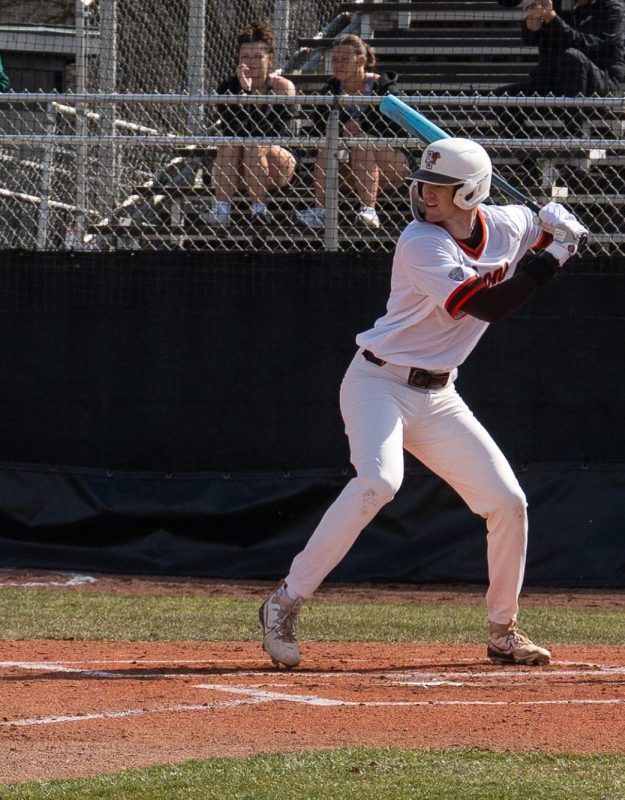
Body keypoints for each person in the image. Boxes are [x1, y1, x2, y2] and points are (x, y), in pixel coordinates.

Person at [259, 137, 589, 669]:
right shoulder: (419, 242)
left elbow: (539, 228)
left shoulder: (507, 223)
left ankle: (503, 629)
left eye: (439, 187)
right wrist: (555, 255)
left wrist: (554, 221)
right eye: (423, 182)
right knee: (379, 482)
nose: (424, 192)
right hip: (378, 384)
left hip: (440, 394)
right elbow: (487, 306)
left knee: (508, 502)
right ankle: (284, 602)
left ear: (471, 194)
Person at [296, 34, 410, 231]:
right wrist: (341, 130)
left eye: (344, 60)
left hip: (389, 163)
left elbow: (398, 128)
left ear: (361, 61)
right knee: (326, 148)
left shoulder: (383, 88)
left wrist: (364, 126)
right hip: (347, 165)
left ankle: (369, 210)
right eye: (335, 60)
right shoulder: (330, 90)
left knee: (362, 142)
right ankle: (320, 211)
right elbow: (318, 127)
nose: (338, 65)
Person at [202, 22, 297, 226]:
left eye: (257, 57)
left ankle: (259, 211)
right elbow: (235, 129)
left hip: (276, 163)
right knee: (229, 142)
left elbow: (270, 130)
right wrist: (244, 92)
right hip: (239, 169)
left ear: (269, 60)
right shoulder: (228, 88)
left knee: (255, 143)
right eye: (245, 57)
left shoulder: (283, 88)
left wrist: (250, 96)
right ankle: (221, 210)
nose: (251, 63)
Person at [496, 0, 625, 97]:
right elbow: (531, 39)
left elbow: (585, 44)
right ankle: (521, 134)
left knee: (572, 57)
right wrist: (534, 15)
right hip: (553, 81)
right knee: (501, 97)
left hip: (600, 82)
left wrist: (552, 18)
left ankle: (575, 131)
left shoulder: (612, 8)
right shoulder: (557, 4)